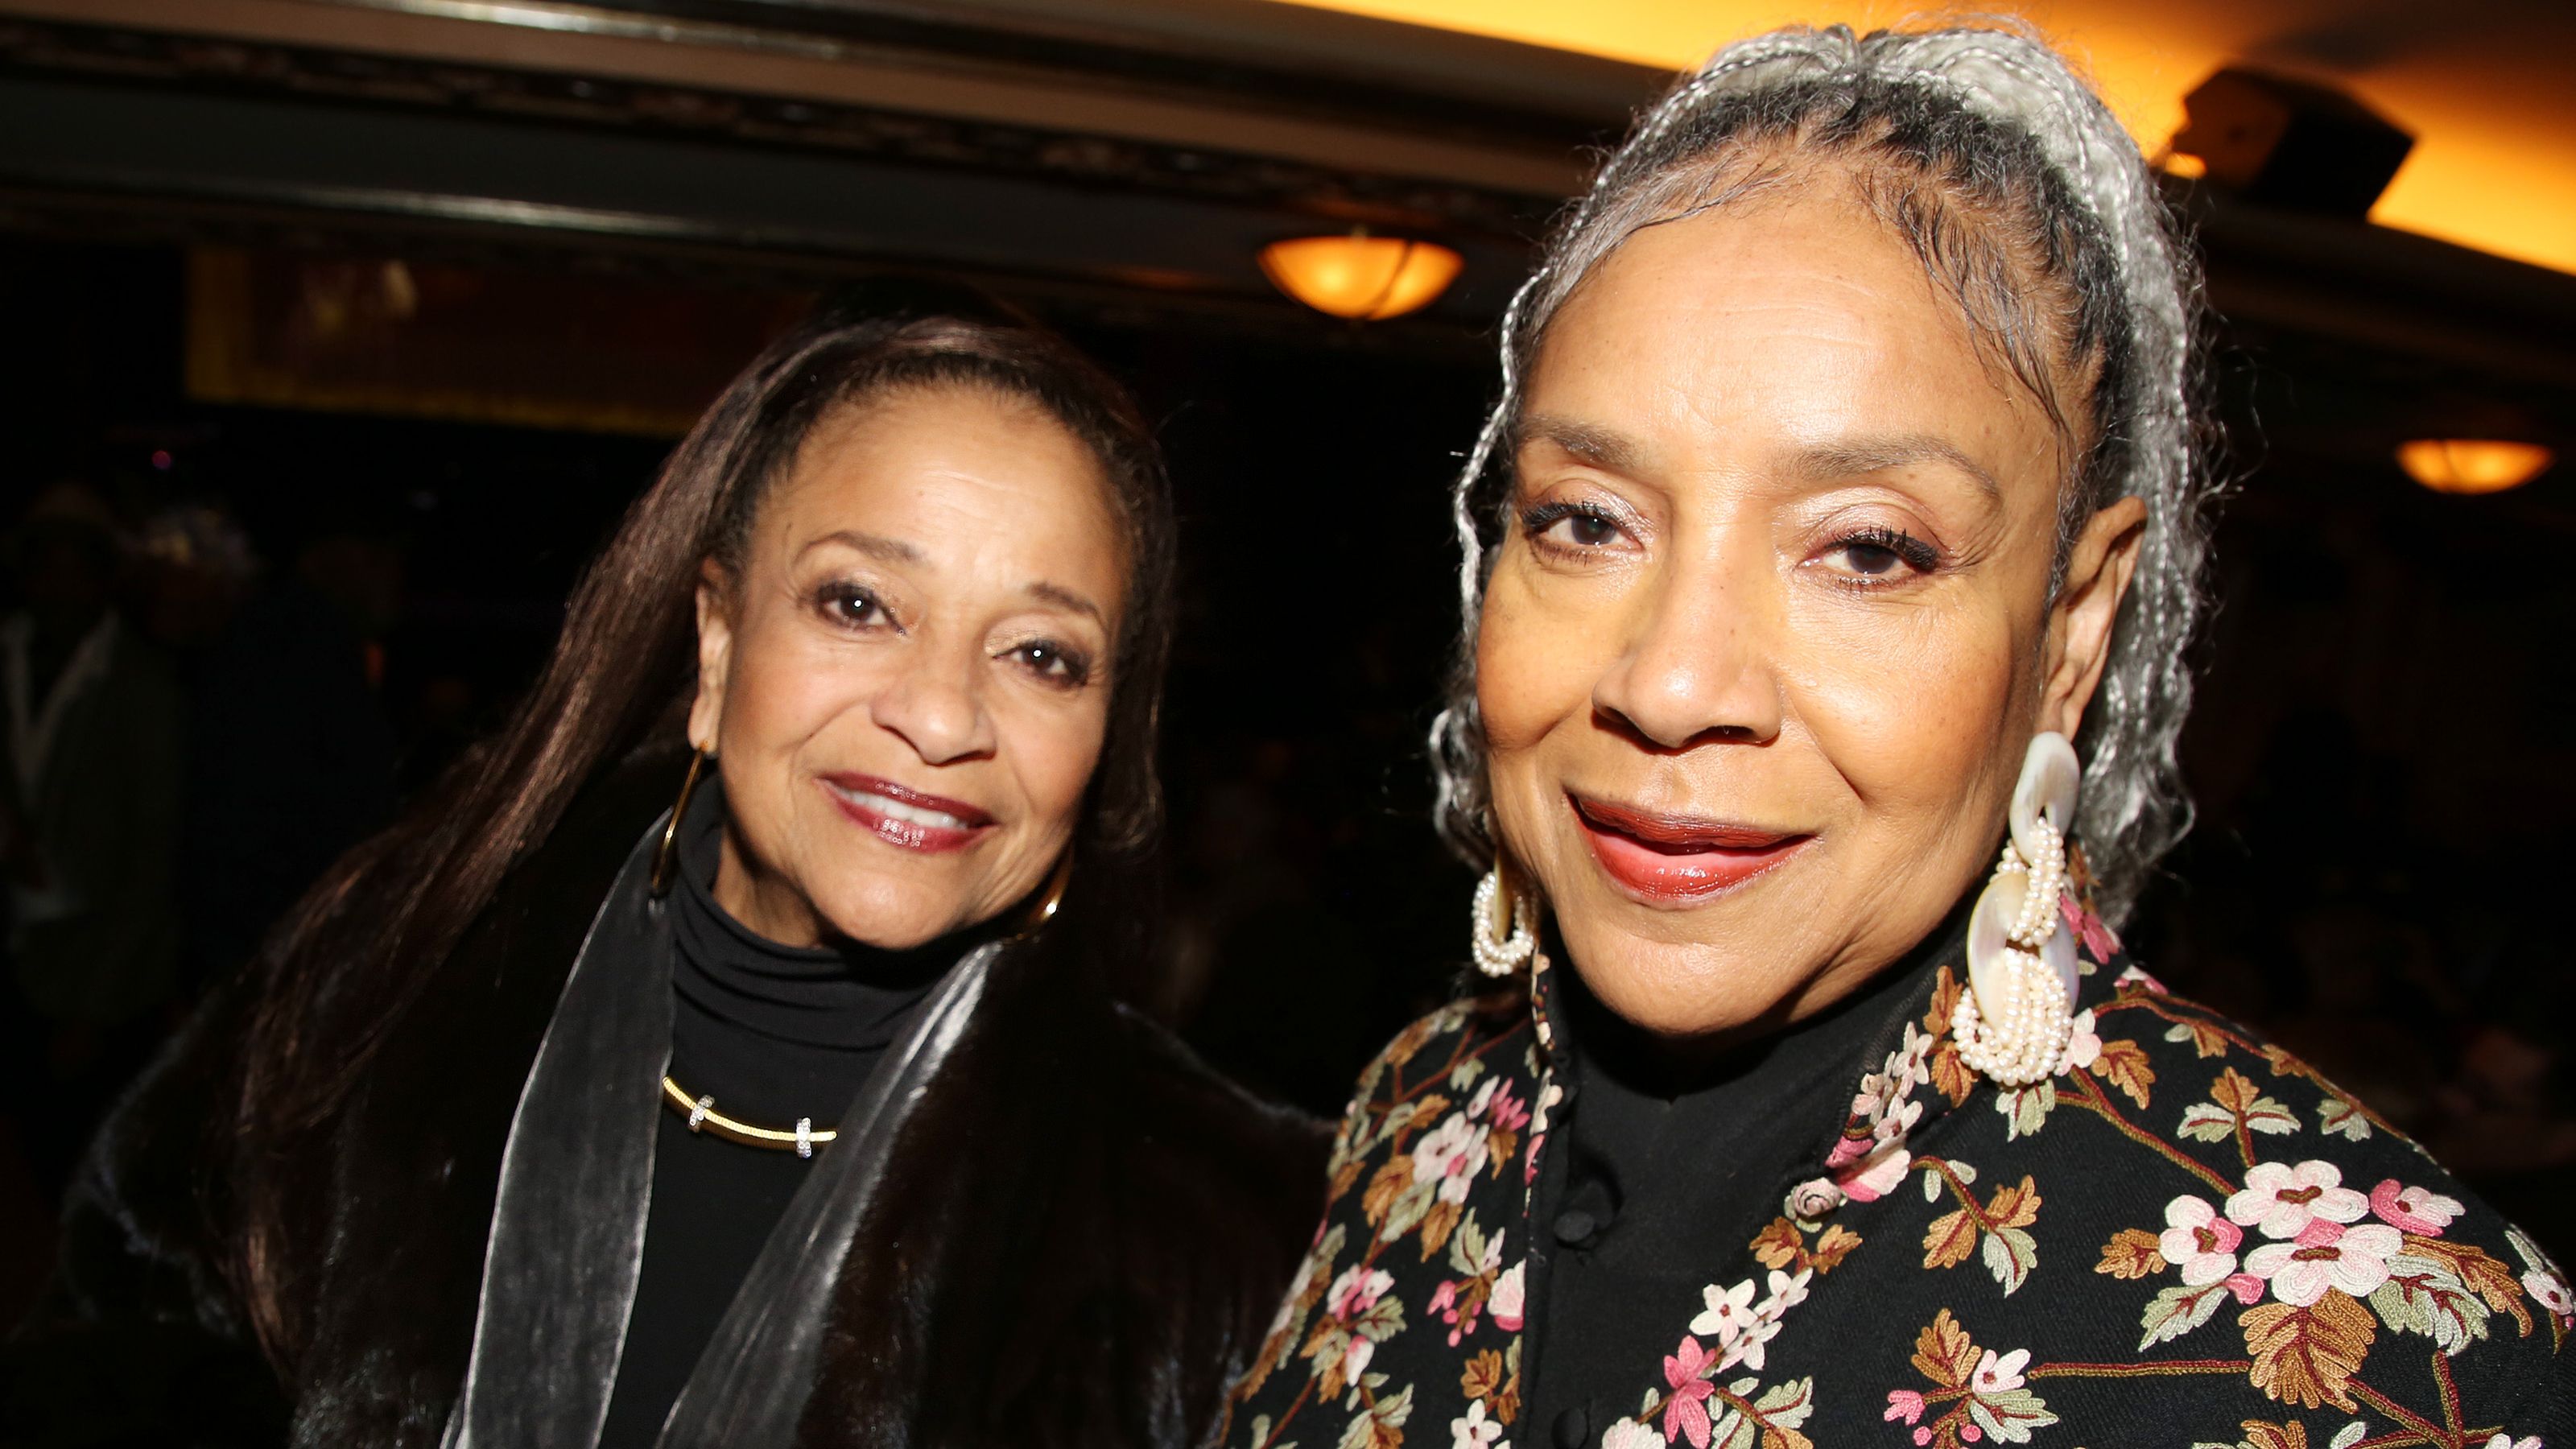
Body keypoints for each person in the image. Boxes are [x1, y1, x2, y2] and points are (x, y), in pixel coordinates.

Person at [1220, 25, 2574, 1449]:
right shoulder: (1413, 1119)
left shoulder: (2395, 1367)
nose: (1672, 686)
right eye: (1587, 520)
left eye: (1868, 550)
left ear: (2072, 631)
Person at [33, 283, 1325, 1448]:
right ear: (716, 644)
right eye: (859, 604)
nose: (942, 717)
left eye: (1042, 655)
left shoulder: (1219, 1252)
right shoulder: (373, 1005)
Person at [0, 482, 184, 1196]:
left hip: (94, 979)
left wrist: (94, 1009)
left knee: (73, 1170)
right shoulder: (11, 654)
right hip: (19, 959)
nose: (60, 585)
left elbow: (152, 861)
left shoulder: (143, 686)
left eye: (79, 567)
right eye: (46, 565)